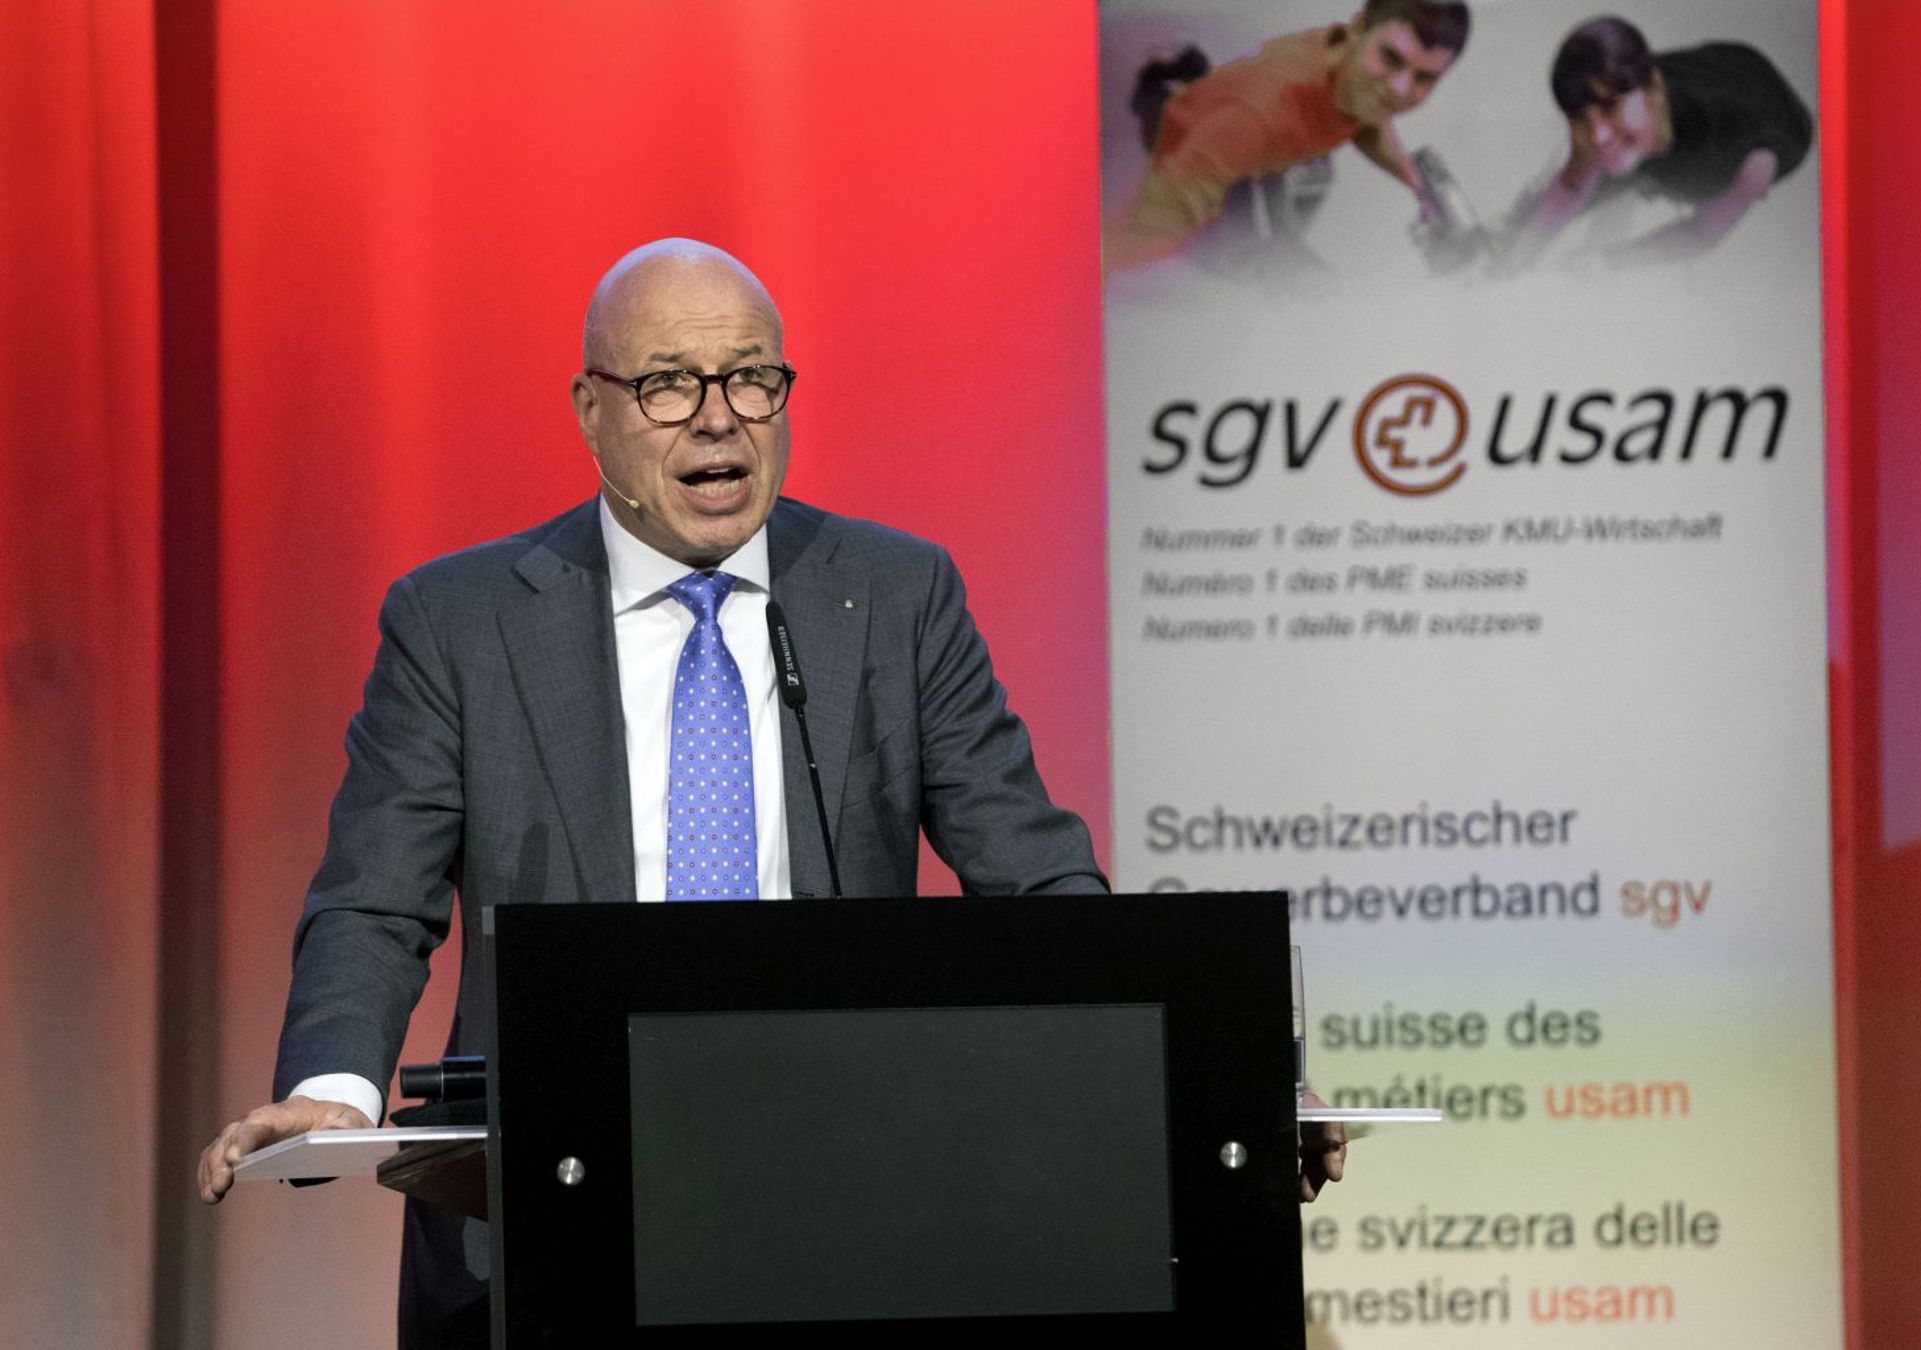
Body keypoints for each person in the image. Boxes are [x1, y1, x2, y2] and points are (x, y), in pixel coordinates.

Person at [194, 239, 1343, 1345]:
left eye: (750, 377)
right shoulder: (461, 622)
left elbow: (1036, 879)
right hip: (551, 1207)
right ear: (590, 411)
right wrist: (335, 1090)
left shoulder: (892, 596)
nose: (717, 417)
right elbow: (375, 900)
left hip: (843, 1193)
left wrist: (1207, 1087)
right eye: (667, 383)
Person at [1103, 0, 1472, 271]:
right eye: (1391, 58)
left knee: (1308, 177)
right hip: (1197, 137)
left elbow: (1365, 120)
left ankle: (1187, 75)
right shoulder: (1257, 116)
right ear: (1358, 30)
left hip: (1248, 141)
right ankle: (1165, 80)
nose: (1399, 88)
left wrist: (1411, 178)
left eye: (1424, 78)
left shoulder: (1352, 71)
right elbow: (1141, 236)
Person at [1494, 16, 1815, 268]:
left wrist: (1613, 262)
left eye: (1608, 108)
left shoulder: (1750, 155)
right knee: (1560, 195)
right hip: (1712, 72)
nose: (1598, 136)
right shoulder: (1619, 104)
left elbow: (1700, 235)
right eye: (1579, 118)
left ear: (1655, 89)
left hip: (1768, 126)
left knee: (1617, 183)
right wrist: (1514, 257)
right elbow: (1570, 187)